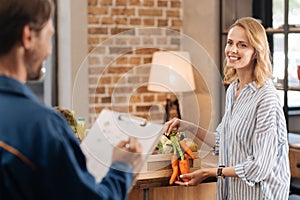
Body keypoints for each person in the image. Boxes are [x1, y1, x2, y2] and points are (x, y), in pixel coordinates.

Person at [0, 0, 142, 199]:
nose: (49, 50)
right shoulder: (42, 129)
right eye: (49, 36)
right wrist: (122, 167)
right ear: (28, 36)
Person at [165, 17, 290, 199]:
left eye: (242, 45)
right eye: (230, 43)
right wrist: (188, 126)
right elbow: (223, 142)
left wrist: (211, 173)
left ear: (257, 52)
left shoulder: (266, 97)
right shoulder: (233, 89)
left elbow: (259, 167)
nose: (232, 50)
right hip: (233, 193)